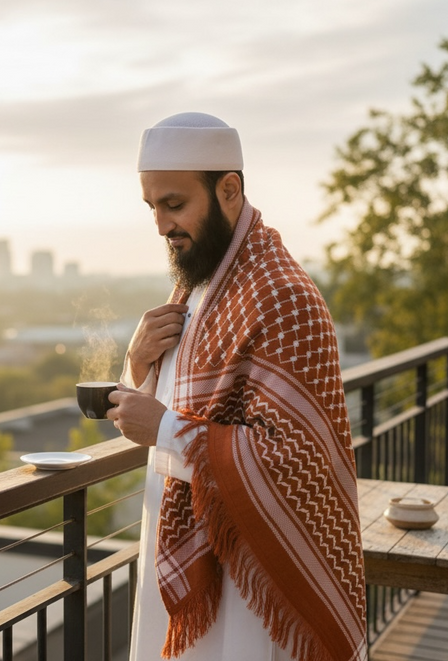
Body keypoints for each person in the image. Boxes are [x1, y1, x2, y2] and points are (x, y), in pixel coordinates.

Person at [106, 112, 367, 661]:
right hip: (183, 535)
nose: (160, 225)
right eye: (152, 207)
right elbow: (176, 400)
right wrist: (139, 363)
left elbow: (294, 457)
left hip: (252, 565)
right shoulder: (196, 284)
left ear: (229, 189)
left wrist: (165, 428)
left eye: (174, 204)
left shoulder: (284, 296)